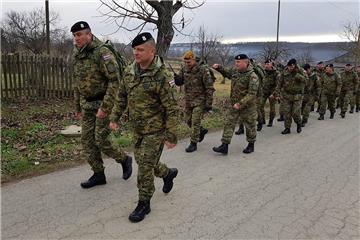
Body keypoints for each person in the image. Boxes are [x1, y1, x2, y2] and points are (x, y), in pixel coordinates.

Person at [109, 32, 179, 223]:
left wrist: (171, 135)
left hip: (155, 130)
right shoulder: (130, 70)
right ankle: (168, 173)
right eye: (134, 49)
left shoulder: (162, 75)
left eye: (140, 49)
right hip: (137, 128)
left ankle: (144, 203)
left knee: (145, 168)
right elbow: (122, 95)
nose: (136, 53)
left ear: (152, 51)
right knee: (145, 162)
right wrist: (114, 116)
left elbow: (172, 108)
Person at [71, 21, 132, 189]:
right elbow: (77, 82)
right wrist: (77, 107)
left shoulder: (102, 52)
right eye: (74, 36)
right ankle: (98, 174)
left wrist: (105, 108)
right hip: (87, 104)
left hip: (103, 103)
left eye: (79, 35)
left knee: (101, 139)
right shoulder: (77, 54)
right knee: (87, 141)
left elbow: (115, 81)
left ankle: (124, 159)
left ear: (89, 35)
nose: (76, 39)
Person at [212, 54, 259, 155]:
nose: (236, 64)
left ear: (246, 63)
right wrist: (219, 68)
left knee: (250, 126)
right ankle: (224, 145)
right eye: (235, 62)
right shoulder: (235, 72)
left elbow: (252, 94)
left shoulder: (252, 76)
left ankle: (251, 145)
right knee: (229, 123)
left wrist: (240, 103)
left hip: (247, 106)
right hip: (234, 104)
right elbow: (227, 72)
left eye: (238, 62)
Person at [174, 51, 215, 152]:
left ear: (194, 59)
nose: (187, 64)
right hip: (188, 100)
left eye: (188, 62)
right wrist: (177, 79)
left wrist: (208, 104)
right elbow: (180, 82)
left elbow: (209, 88)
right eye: (185, 62)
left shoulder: (203, 70)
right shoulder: (184, 69)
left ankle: (193, 143)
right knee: (188, 120)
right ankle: (201, 131)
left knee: (195, 121)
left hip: (200, 100)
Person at [271, 59, 307, 134]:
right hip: (287, 96)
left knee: (295, 113)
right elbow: (279, 84)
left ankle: (299, 123)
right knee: (287, 113)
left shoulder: (300, 71)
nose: (290, 68)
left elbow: (306, 80)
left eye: (292, 67)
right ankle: (287, 128)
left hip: (297, 96)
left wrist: (298, 76)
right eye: (289, 66)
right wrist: (275, 94)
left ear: (295, 66)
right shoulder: (284, 73)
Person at [260, 59, 281, 127]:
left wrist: (274, 94)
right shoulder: (263, 72)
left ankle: (271, 121)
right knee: (260, 106)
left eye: (268, 64)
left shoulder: (276, 73)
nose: (266, 65)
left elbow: (278, 85)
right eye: (265, 64)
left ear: (271, 64)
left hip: (272, 93)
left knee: (272, 108)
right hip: (264, 91)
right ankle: (262, 120)